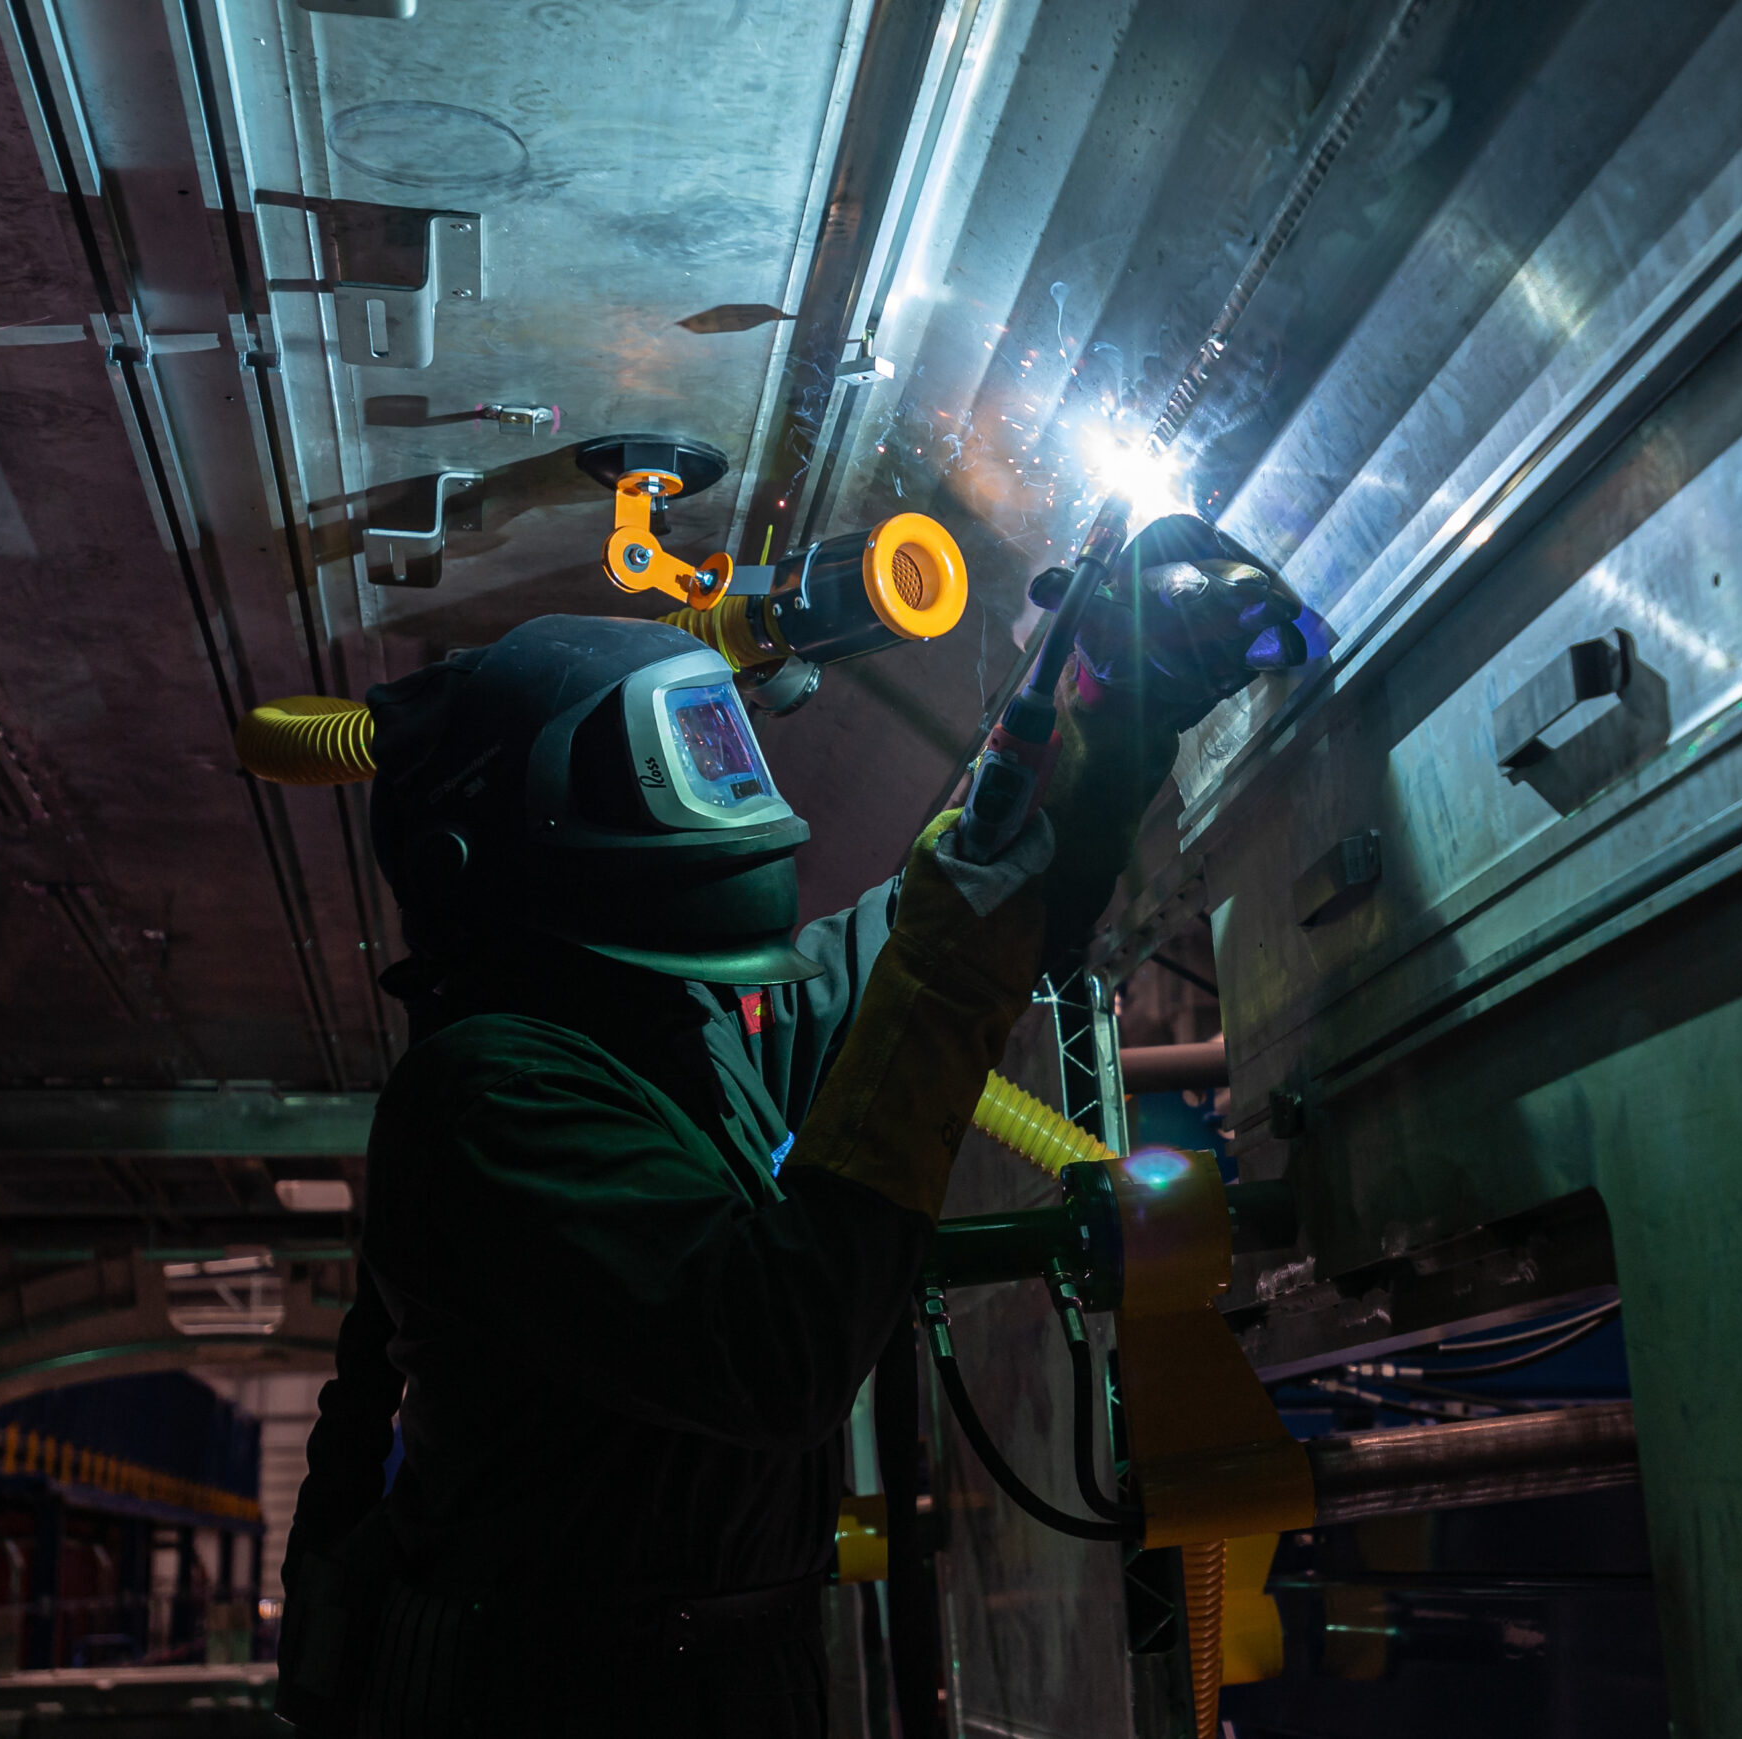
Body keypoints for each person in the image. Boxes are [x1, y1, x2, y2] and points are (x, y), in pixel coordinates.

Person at [275, 514, 1323, 1736]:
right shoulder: (488, 1097)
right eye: (697, 750)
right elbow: (775, 1343)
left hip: (718, 1674)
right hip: (548, 1697)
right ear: (543, 826)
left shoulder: (689, 1023)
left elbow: (958, 911)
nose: (732, 783)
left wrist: (1113, 686)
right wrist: (950, 949)